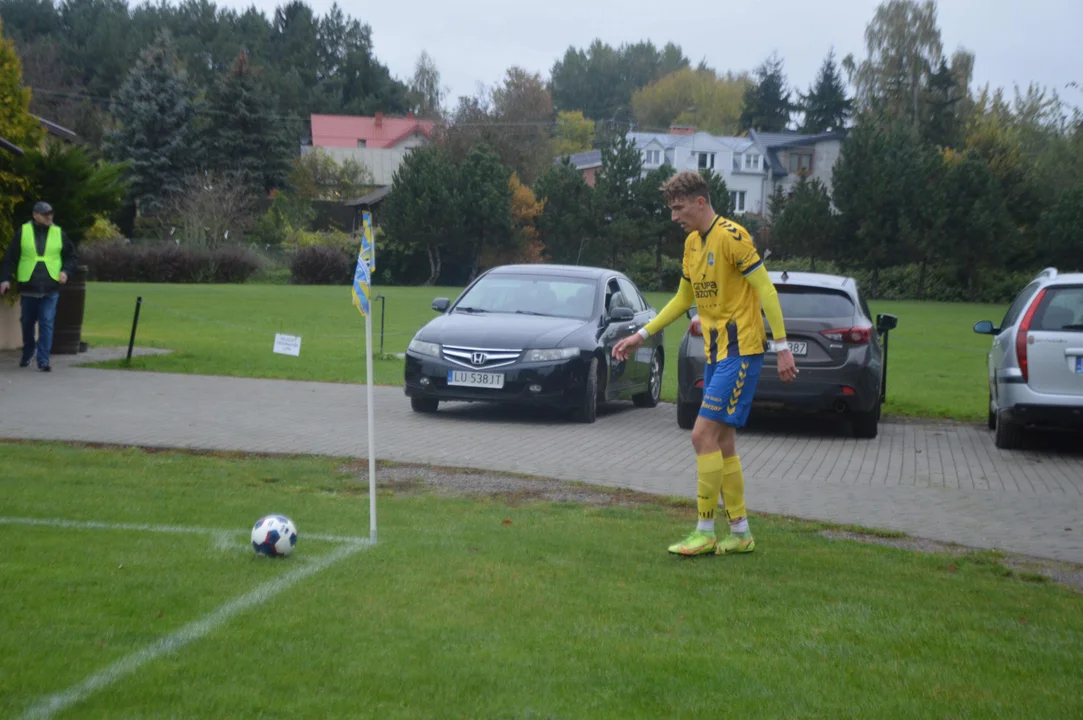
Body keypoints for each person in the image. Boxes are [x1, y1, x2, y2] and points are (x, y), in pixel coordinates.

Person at [612, 171, 797, 556]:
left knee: (701, 436)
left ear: (700, 202)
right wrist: (640, 336)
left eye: (678, 208)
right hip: (715, 353)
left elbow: (765, 288)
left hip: (741, 350)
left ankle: (705, 530)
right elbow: (682, 300)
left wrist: (782, 346)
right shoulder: (692, 246)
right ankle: (742, 533)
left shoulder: (732, 236)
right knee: (723, 440)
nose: (674, 217)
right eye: (671, 209)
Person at [0, 201, 77, 372]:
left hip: (50, 287)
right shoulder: (23, 232)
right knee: (27, 323)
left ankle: (43, 360)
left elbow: (71, 256)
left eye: (50, 214)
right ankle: (29, 350)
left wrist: (66, 271)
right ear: (35, 215)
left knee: (46, 322)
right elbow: (10, 257)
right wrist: (4, 279)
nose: (49, 217)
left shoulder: (59, 233)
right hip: (29, 286)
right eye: (45, 214)